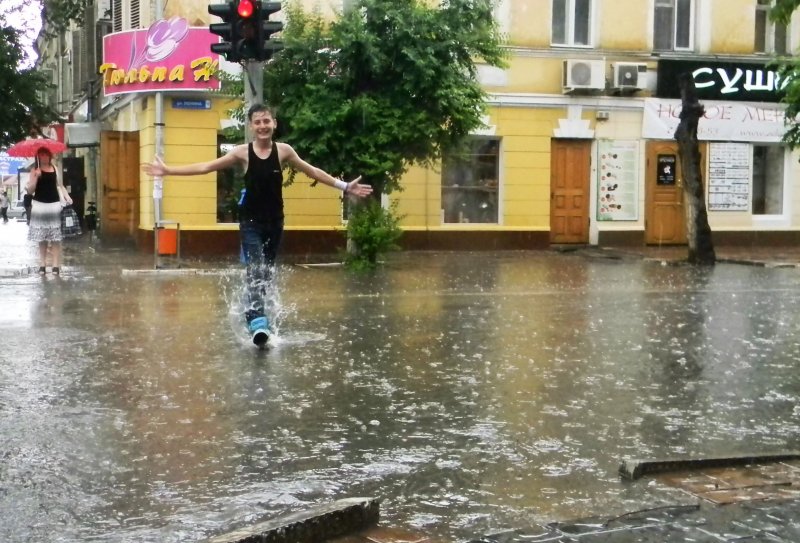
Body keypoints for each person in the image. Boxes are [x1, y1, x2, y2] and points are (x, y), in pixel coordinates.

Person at [143, 103, 373, 346]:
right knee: (256, 268)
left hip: (275, 222)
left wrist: (345, 187)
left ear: (274, 123)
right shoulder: (242, 153)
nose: (263, 126)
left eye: (267, 121)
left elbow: (313, 171)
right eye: (258, 122)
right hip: (250, 223)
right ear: (251, 126)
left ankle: (256, 315)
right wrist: (169, 171)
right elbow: (206, 167)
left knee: (266, 273)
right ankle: (257, 321)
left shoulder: (284, 151)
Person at [26, 147, 72, 274]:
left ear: (49, 156)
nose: (44, 157)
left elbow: (60, 185)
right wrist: (35, 177)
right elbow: (30, 191)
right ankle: (43, 264)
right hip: (40, 205)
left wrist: (67, 198)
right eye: (41, 154)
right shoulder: (34, 170)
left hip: (54, 205)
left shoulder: (55, 168)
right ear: (38, 156)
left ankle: (56, 265)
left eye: (46, 154)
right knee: (42, 237)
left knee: (55, 237)